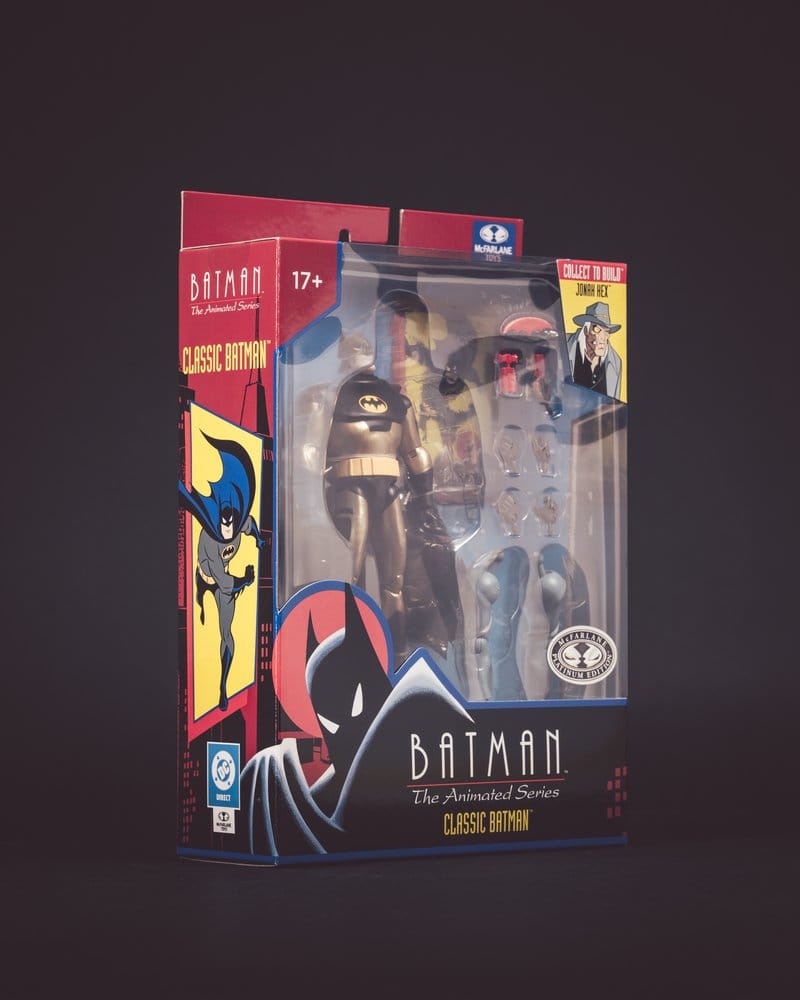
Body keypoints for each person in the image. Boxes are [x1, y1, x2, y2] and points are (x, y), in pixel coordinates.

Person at [566, 301, 622, 398]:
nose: (603, 338)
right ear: (586, 330)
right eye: (597, 329)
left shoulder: (616, 362)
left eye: (606, 332)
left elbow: (614, 403)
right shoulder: (566, 343)